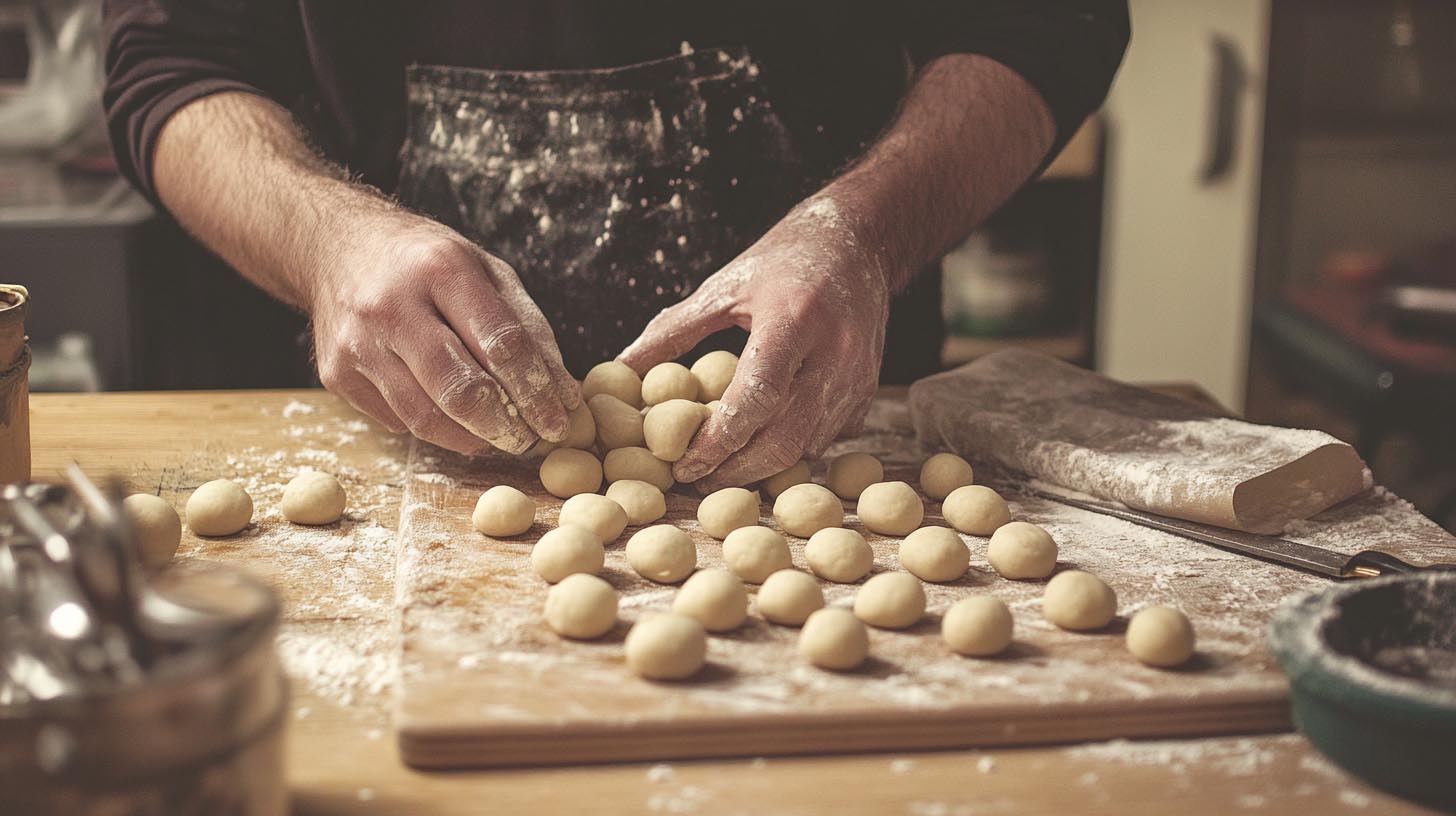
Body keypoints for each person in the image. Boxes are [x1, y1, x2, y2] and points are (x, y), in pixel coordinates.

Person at [103, 2, 1129, 490]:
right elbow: (171, 56)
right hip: (390, 432)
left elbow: (1046, 24)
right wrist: (327, 240)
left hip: (837, 437)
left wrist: (859, 230)